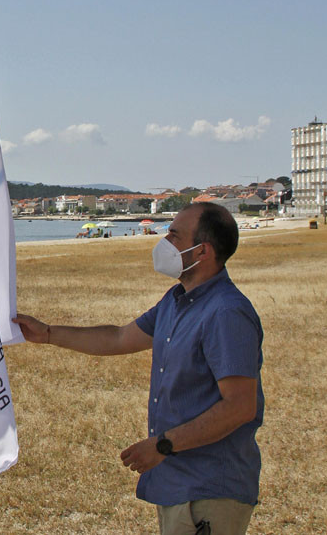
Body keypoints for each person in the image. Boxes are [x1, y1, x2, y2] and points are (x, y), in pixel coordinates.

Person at [13, 203, 264, 535]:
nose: (164, 241)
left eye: (174, 235)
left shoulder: (226, 313)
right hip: (180, 484)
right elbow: (118, 337)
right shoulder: (176, 301)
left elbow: (240, 406)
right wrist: (47, 334)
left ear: (202, 251)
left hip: (209, 490)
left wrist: (163, 444)